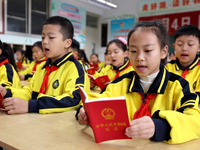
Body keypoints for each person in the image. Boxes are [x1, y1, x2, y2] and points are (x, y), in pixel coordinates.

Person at [77, 20, 200, 144]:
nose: (139, 57)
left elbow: (194, 119)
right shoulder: (120, 83)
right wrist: (84, 111)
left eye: (147, 51)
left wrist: (160, 126)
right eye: (134, 51)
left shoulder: (179, 85)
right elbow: (97, 100)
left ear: (163, 52)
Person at [1, 16, 90, 114]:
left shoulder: (75, 68)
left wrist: (31, 106)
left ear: (67, 43)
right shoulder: (42, 67)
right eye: (43, 37)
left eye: (51, 37)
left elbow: (74, 100)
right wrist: (6, 92)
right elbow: (30, 92)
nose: (45, 42)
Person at [165, 25, 200, 97]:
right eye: (180, 44)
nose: (184, 48)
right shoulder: (166, 68)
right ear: (174, 46)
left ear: (198, 48)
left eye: (190, 44)